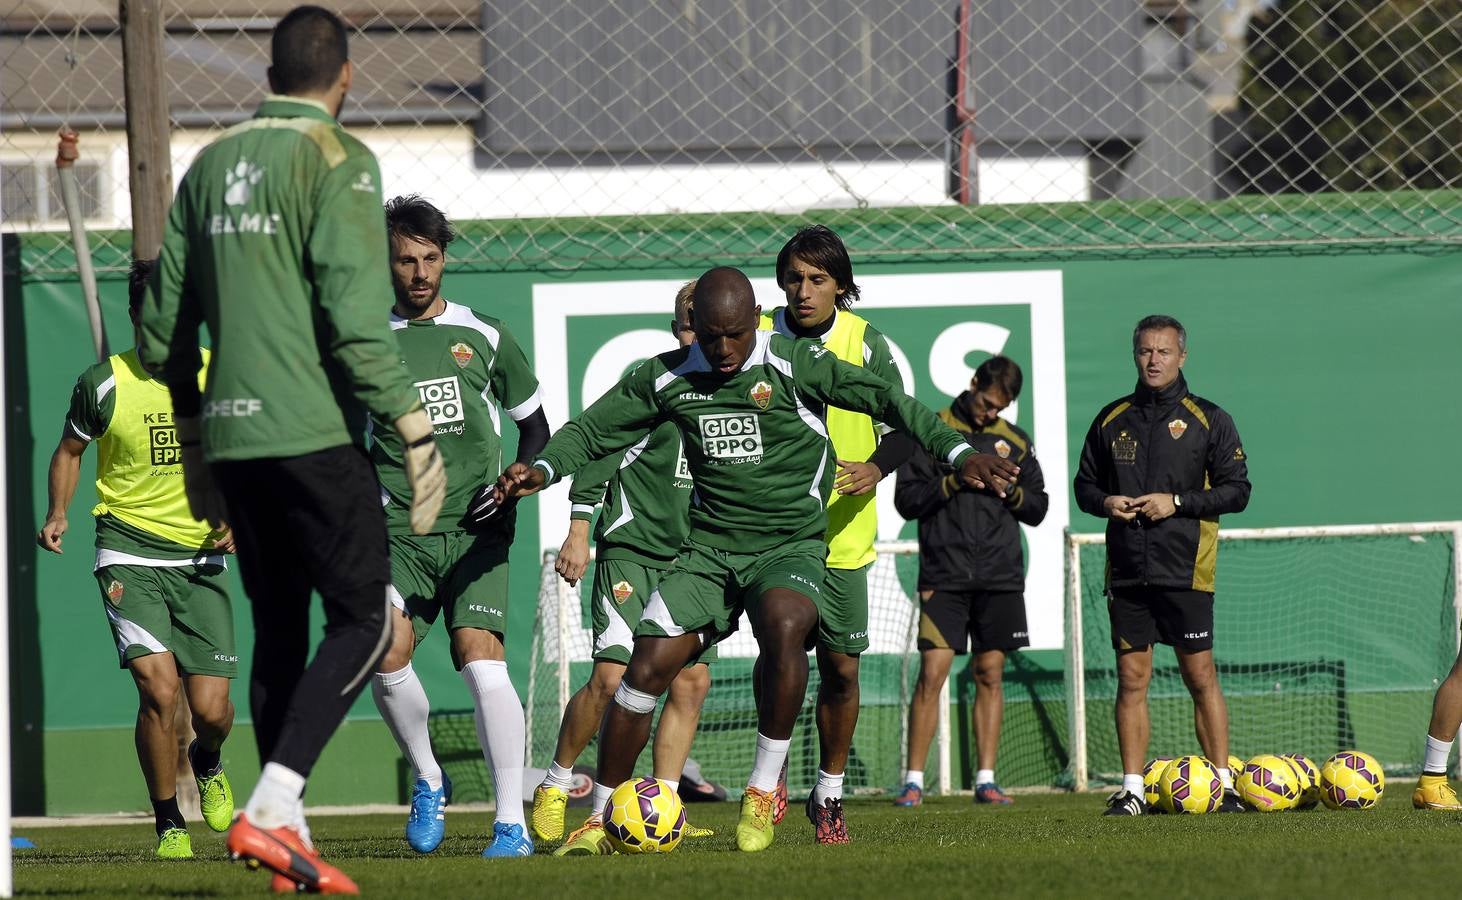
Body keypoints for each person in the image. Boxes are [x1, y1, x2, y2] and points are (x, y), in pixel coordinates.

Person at [496, 267, 1019, 853]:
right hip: (707, 552)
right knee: (641, 674)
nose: (722, 350)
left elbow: (888, 400)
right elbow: (592, 432)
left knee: (786, 625)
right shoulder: (665, 376)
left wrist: (956, 450)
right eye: (711, 335)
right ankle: (601, 819)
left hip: (787, 544)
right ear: (693, 327)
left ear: (755, 322)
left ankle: (761, 789)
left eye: (735, 335)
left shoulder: (794, 361)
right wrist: (540, 469)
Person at [138, 6, 446, 892]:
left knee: (278, 633)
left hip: (233, 445)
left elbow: (162, 334)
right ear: (345, 76)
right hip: (312, 433)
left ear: (268, 76)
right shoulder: (339, 161)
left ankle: (290, 846)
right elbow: (357, 322)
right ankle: (271, 805)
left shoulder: (209, 166)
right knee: (365, 621)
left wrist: (198, 444)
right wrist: (410, 422)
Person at [366, 196, 549, 858]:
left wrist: (520, 475)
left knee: (481, 663)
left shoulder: (485, 333)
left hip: (479, 528)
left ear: (445, 259)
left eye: (430, 258)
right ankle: (428, 775)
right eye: (405, 259)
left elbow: (533, 425)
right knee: (384, 649)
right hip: (399, 531)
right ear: (386, 262)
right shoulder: (362, 343)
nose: (418, 272)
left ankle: (509, 824)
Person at [38, 258, 237, 860]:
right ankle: (168, 819)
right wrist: (58, 512)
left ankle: (208, 758)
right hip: (126, 551)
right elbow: (70, 450)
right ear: (134, 316)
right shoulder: (103, 382)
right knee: (158, 689)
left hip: (200, 558)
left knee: (212, 709)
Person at [533, 281, 715, 855]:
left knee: (691, 681)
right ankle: (560, 782)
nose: (696, 333)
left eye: (705, 324)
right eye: (687, 324)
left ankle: (661, 809)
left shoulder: (738, 390)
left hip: (694, 562)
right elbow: (600, 448)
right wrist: (579, 528)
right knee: (612, 679)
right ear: (675, 327)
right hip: (631, 549)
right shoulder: (653, 380)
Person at [756, 225, 916, 842]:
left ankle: (829, 791)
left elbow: (904, 424)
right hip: (772, 531)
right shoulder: (761, 335)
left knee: (841, 669)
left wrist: (877, 466)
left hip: (844, 534)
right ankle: (766, 781)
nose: (803, 290)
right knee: (778, 651)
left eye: (817, 279)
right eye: (794, 278)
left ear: (841, 287)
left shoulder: (864, 342)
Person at [1073, 315, 1250, 816]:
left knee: (1200, 677)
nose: (1154, 360)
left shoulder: (1209, 419)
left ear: (1182, 356)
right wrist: (1106, 501)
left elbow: (1238, 491)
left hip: (1185, 569)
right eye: (1146, 351)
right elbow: (1084, 486)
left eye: (1164, 352)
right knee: (1132, 679)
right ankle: (1132, 789)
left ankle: (1223, 785)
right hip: (1128, 572)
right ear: (1135, 354)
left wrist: (1176, 501)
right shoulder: (1112, 418)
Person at [892, 356, 1048, 807]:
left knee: (990, 673)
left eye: (998, 408)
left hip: (999, 575)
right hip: (944, 573)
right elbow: (907, 501)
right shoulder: (934, 429)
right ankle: (913, 781)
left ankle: (985, 778)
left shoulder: (1014, 442)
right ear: (973, 382)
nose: (988, 414)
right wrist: (955, 481)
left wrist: (1010, 490)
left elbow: (1037, 508)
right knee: (933, 673)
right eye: (985, 403)